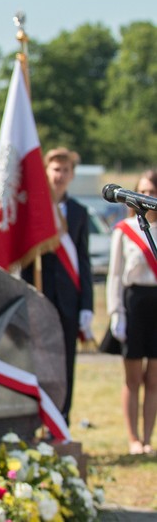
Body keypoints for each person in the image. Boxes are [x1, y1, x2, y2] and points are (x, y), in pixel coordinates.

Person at [21, 147, 93, 423]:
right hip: (39, 294)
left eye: (65, 170)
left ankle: (62, 418)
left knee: (65, 361)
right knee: (37, 358)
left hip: (68, 298)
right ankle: (36, 417)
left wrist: (87, 304)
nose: (60, 175)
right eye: (55, 170)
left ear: (72, 175)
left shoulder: (79, 212)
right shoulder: (34, 208)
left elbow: (83, 260)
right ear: (46, 172)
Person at [105, 169, 157, 455]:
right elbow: (114, 275)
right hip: (134, 303)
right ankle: (133, 438)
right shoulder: (124, 230)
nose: (147, 197)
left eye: (152, 192)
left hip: (155, 300)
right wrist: (116, 312)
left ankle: (148, 438)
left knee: (154, 379)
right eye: (143, 191)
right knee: (133, 377)